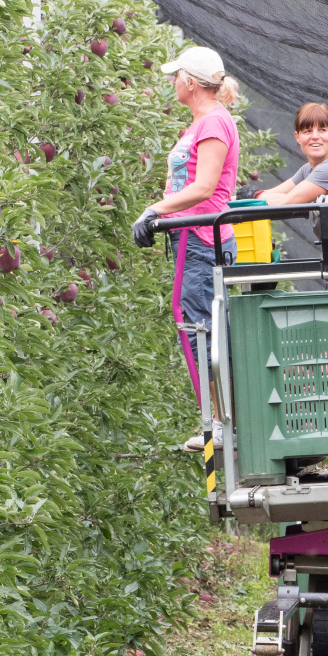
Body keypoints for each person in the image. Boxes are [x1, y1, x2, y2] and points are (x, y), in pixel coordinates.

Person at [131, 45, 241, 453]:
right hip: (189, 235)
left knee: (202, 329)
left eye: (176, 76)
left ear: (191, 83)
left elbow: (204, 187)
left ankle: (219, 423)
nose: (172, 82)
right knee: (198, 325)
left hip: (200, 238)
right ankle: (215, 419)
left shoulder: (213, 124)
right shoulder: (201, 123)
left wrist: (154, 210)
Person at [234, 102, 328, 290]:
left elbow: (285, 202)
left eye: (322, 129)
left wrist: (253, 195)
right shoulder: (308, 170)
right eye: (308, 131)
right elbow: (273, 195)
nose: (315, 136)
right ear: (297, 137)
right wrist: (239, 198)